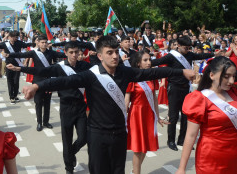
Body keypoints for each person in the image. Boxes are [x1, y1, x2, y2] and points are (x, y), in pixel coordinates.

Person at [22, 35, 195, 174]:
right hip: (97, 134)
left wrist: (181, 71)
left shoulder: (124, 72)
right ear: (99, 56)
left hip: (120, 133)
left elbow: (154, 72)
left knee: (118, 170)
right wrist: (37, 85)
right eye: (109, 52)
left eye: (116, 52)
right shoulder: (91, 75)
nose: (114, 56)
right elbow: (63, 81)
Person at [7, 41, 91, 173]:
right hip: (66, 107)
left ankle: (71, 154)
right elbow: (41, 71)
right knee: (67, 140)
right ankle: (69, 167)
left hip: (81, 106)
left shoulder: (85, 66)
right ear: (66, 53)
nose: (74, 55)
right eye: (71, 52)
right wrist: (20, 69)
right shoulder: (59, 67)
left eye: (76, 52)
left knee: (83, 138)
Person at [151, 36, 216, 151]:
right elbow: (158, 62)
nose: (187, 50)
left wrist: (214, 54)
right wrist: (143, 61)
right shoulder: (171, 56)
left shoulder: (190, 54)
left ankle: (182, 140)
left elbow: (201, 56)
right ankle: (171, 140)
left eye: (189, 48)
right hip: (174, 88)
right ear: (178, 46)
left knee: (186, 116)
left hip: (186, 88)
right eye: (185, 48)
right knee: (174, 116)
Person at [176, 57, 237, 174]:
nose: (231, 81)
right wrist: (182, 168)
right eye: (226, 76)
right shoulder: (200, 99)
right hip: (211, 158)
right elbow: (191, 135)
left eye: (234, 76)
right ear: (212, 75)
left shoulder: (233, 92)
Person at [125, 50, 170, 174]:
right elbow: (126, 100)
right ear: (138, 63)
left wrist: (158, 117)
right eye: (145, 60)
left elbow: (154, 98)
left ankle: (135, 170)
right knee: (138, 148)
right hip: (136, 114)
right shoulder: (132, 77)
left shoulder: (151, 76)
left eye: (149, 60)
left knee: (145, 146)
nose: (149, 62)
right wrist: (122, 117)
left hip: (149, 114)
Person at [6, 35, 66, 127]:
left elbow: (63, 55)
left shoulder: (51, 53)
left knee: (47, 103)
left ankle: (46, 122)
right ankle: (39, 122)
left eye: (46, 42)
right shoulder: (34, 53)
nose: (44, 44)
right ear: (38, 43)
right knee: (38, 102)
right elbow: (21, 55)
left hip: (48, 81)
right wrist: (9, 54)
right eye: (42, 42)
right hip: (37, 81)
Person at [0, 30, 33, 102]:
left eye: (16, 37)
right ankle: (11, 97)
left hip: (17, 65)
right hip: (8, 65)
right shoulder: (5, 44)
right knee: (10, 81)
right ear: (9, 37)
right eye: (13, 37)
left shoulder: (19, 43)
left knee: (16, 81)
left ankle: (15, 95)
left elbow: (27, 45)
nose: (15, 39)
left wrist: (35, 43)